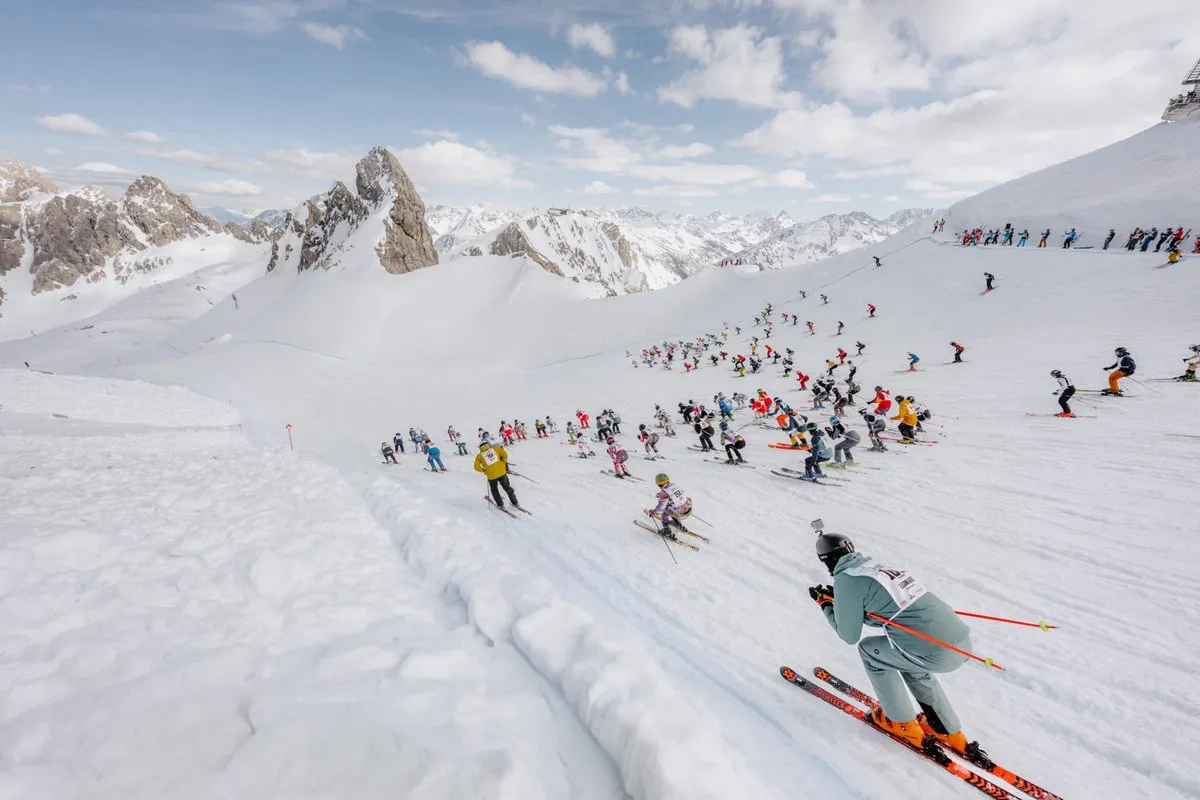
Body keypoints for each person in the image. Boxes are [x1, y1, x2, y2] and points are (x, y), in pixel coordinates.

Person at [809, 530, 977, 754]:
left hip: (933, 651)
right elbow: (892, 612)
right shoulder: (877, 568)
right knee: (907, 661)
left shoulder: (845, 579)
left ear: (826, 560)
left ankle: (902, 723)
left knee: (869, 652)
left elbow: (849, 635)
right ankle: (946, 729)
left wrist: (827, 606)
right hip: (960, 644)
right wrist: (845, 604)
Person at [475, 441, 520, 509]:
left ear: (480, 447)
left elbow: (476, 467)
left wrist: (484, 470)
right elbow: (505, 455)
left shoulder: (479, 456)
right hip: (502, 472)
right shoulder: (496, 448)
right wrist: (503, 463)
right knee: (507, 487)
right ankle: (515, 502)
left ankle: (500, 505)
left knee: (494, 490)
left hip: (491, 476)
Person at [647, 473, 692, 539]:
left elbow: (660, 508)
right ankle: (678, 524)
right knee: (672, 508)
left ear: (658, 484)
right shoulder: (674, 485)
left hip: (681, 514)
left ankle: (667, 531)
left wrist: (653, 512)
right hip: (688, 508)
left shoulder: (664, 493)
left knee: (664, 513)